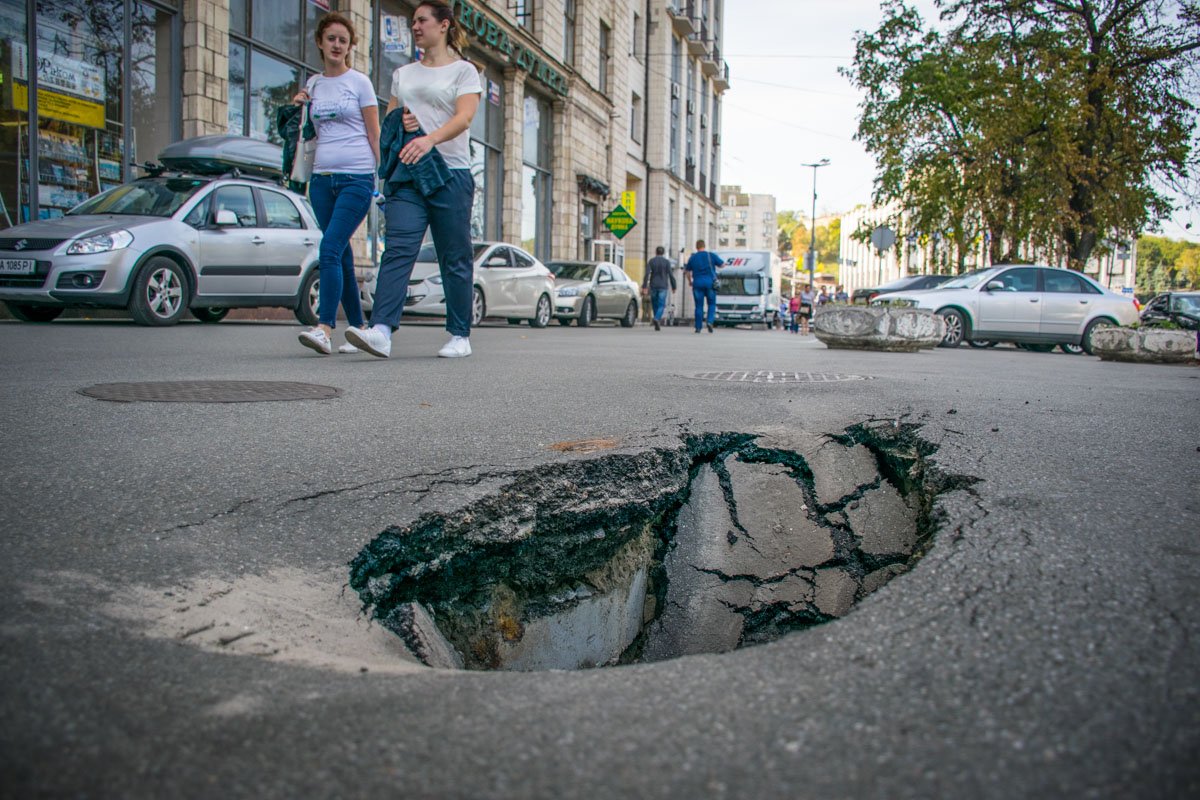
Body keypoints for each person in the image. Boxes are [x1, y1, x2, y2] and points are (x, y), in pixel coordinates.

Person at [345, 1, 482, 359]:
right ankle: (381, 330)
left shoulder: (464, 71)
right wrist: (404, 125)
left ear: (444, 25)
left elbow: (465, 117)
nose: (416, 26)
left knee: (453, 255)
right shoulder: (403, 74)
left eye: (422, 20)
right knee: (399, 248)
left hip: (450, 173)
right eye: (413, 22)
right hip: (409, 173)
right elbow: (390, 121)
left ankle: (459, 334)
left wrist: (428, 137)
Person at [295, 13, 381, 356]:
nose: (336, 45)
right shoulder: (313, 85)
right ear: (320, 42)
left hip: (357, 178)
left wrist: (383, 177)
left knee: (329, 247)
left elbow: (374, 133)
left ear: (350, 46)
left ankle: (324, 328)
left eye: (343, 40)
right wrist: (298, 105)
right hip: (320, 180)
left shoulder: (360, 83)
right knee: (341, 252)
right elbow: (305, 132)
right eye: (331, 38)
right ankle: (359, 328)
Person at [684, 239, 723, 333]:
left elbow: (687, 271)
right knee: (712, 304)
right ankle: (709, 322)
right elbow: (722, 264)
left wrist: (690, 281)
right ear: (704, 246)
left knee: (698, 306)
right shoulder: (711, 255)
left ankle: (698, 327)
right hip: (710, 283)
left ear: (696, 247)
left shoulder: (692, 257)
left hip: (697, 284)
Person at [642, 246, 676, 331]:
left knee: (655, 304)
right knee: (661, 305)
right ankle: (657, 318)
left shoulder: (651, 261)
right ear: (663, 253)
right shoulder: (667, 262)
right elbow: (671, 275)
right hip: (663, 286)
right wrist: (674, 286)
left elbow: (647, 274)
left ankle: (656, 319)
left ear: (655, 252)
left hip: (653, 286)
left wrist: (645, 286)